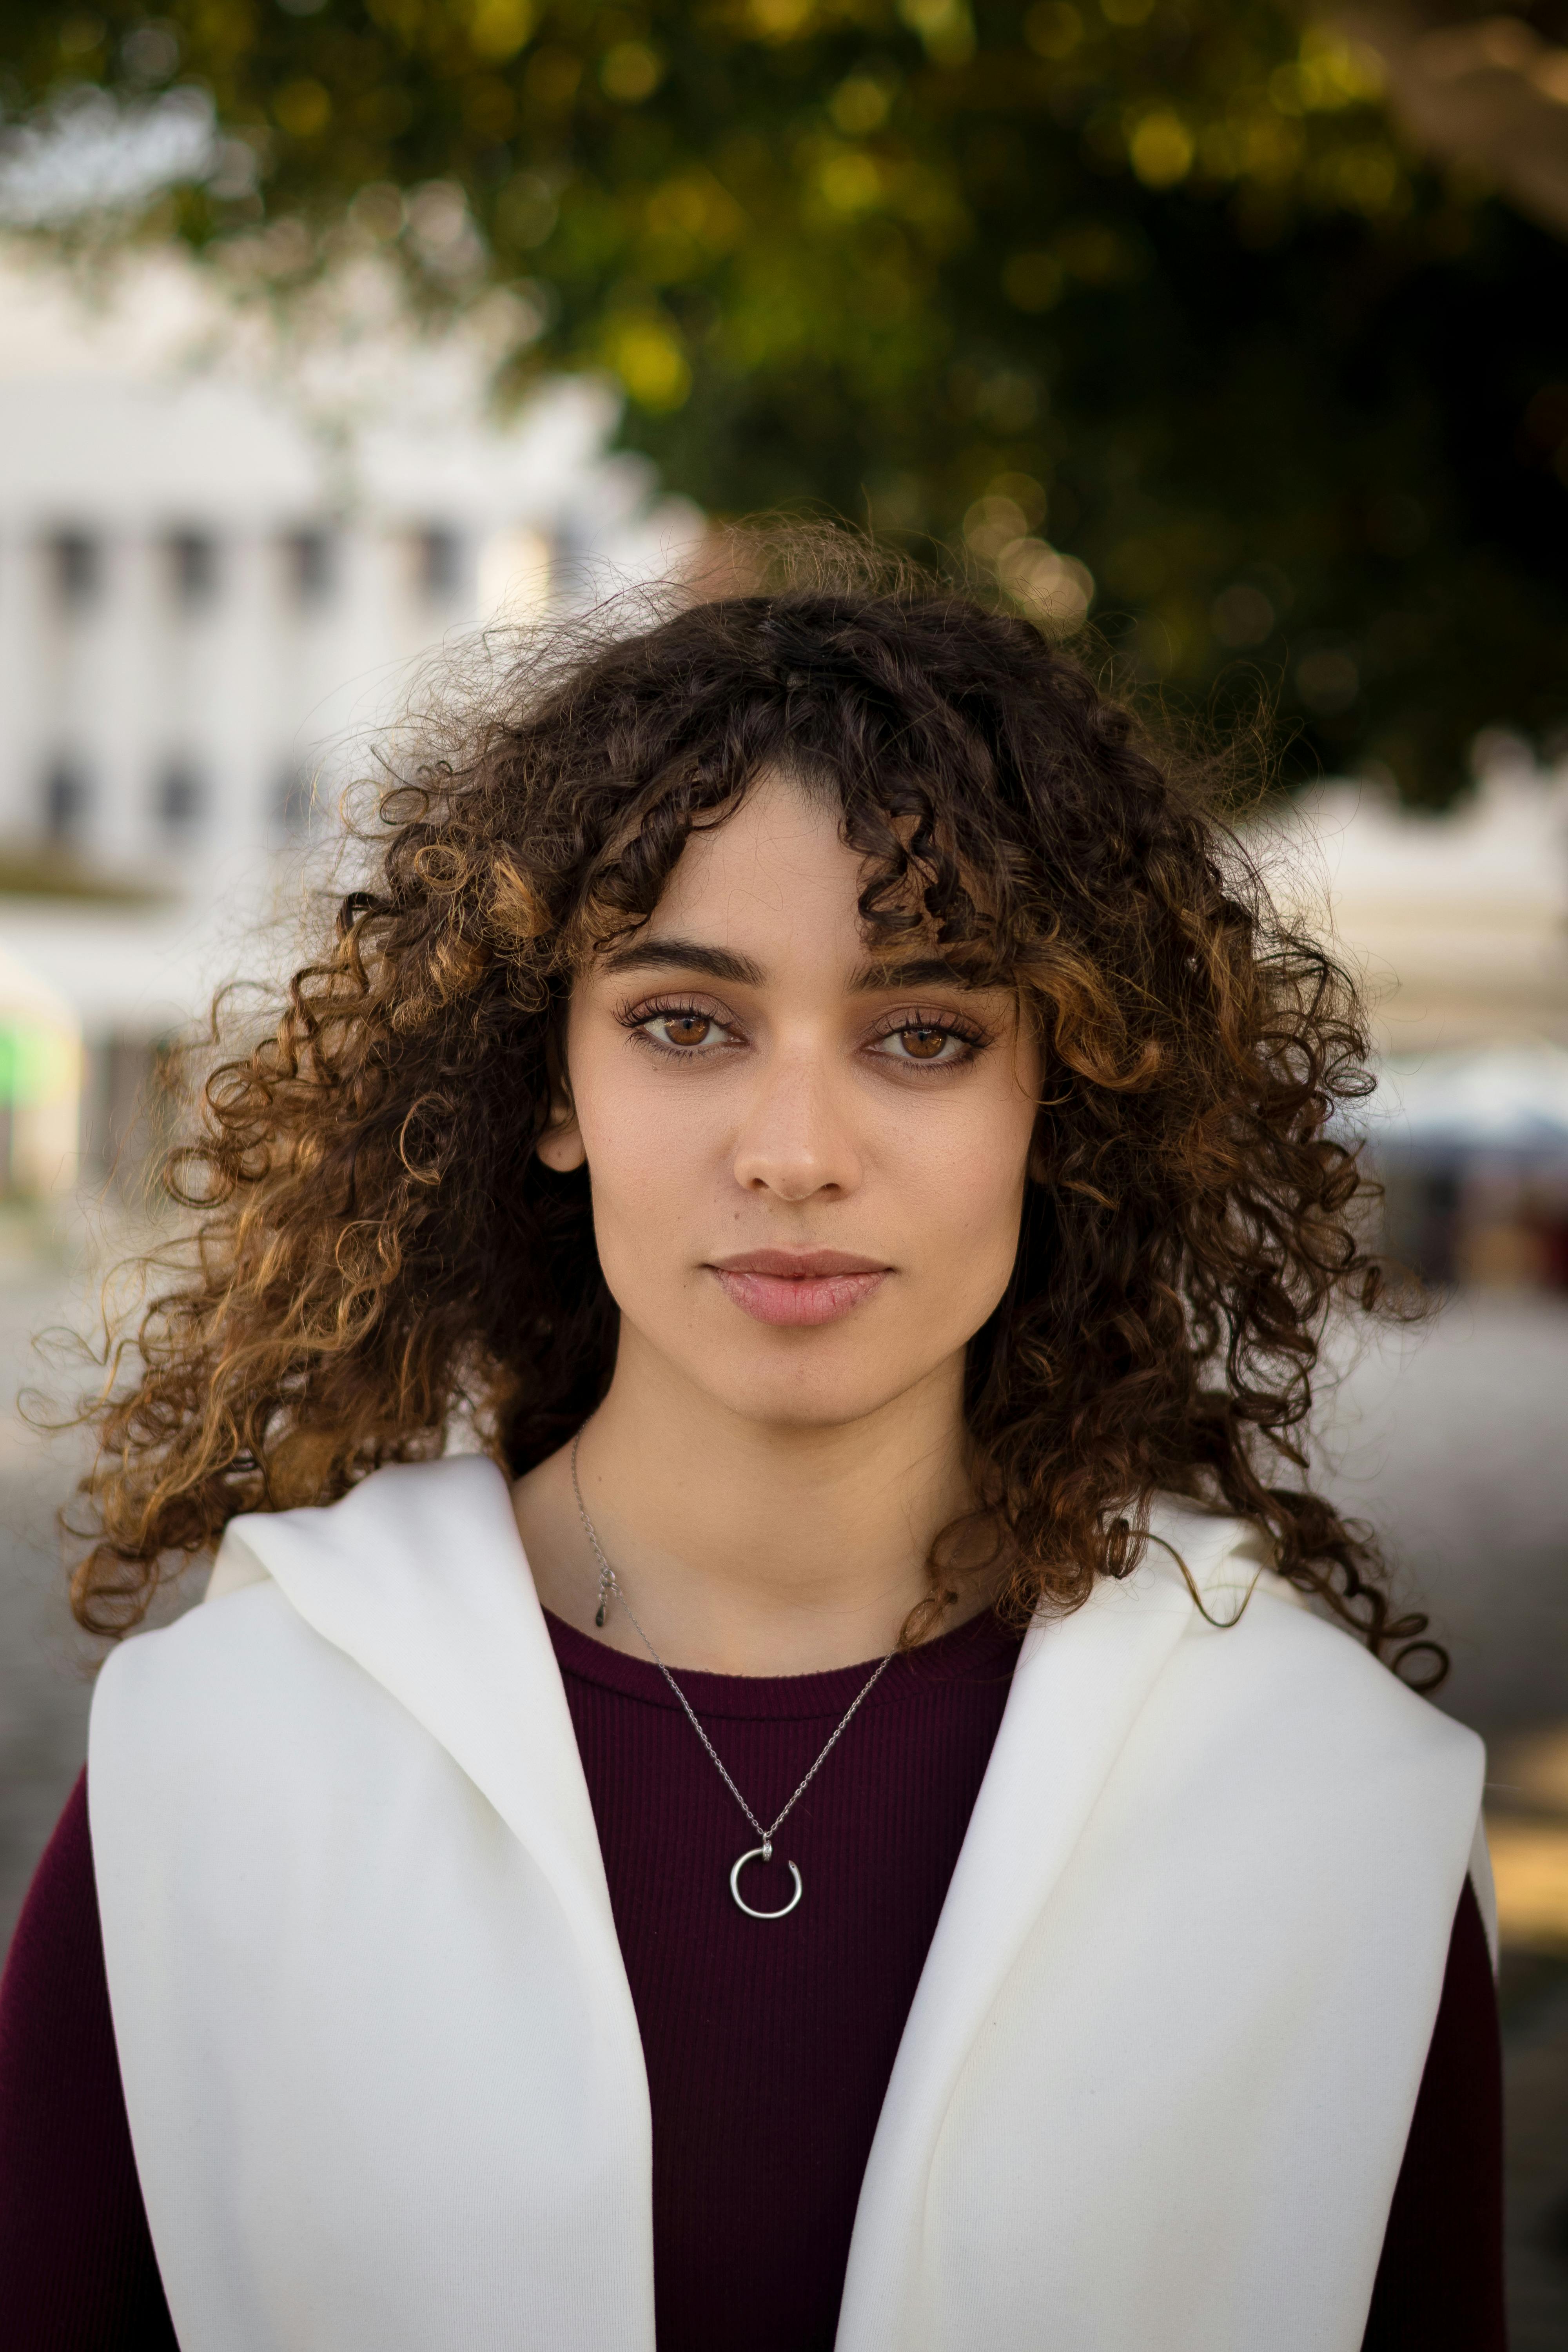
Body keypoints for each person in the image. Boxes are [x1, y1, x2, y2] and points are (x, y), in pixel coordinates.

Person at [0, 538, 1503, 2350]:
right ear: (551, 1087)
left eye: (926, 1034)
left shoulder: (1326, 1801)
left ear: (1065, 1096)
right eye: (685, 1024)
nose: (793, 1148)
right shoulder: (224, 1751)